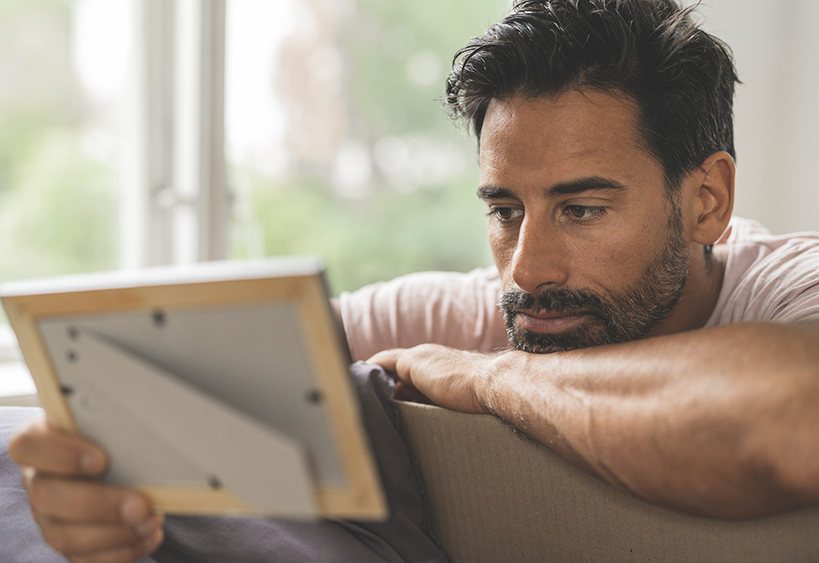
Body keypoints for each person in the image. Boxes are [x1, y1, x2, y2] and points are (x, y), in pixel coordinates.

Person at [6, 0, 819, 561]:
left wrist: (490, 376)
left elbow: (790, 419)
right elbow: (186, 373)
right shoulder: (455, 310)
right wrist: (89, 487)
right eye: (504, 209)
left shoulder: (791, 287)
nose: (526, 269)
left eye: (581, 210)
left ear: (706, 199)